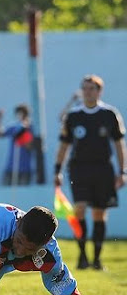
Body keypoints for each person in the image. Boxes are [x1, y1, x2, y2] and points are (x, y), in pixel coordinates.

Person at [54, 74, 126, 270]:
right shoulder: (73, 116)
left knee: (99, 213)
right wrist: (57, 170)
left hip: (103, 168)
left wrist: (122, 171)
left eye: (92, 88)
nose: (88, 92)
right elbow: (64, 145)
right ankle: (82, 255)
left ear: (99, 91)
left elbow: (119, 144)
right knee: (79, 208)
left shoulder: (109, 114)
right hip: (79, 169)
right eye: (85, 88)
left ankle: (97, 259)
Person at [0, 104, 34, 186]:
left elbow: (29, 146)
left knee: (23, 194)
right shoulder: (14, 127)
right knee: (7, 194)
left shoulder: (31, 128)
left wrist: (23, 132)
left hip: (24, 169)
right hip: (10, 167)